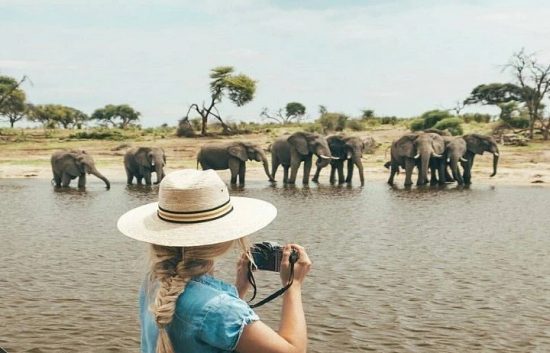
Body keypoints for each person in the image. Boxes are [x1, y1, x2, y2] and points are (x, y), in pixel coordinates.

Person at [117, 169, 312, 353]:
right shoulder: (221, 309)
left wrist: (239, 288)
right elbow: (294, 350)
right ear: (224, 237)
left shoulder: (154, 280)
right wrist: (292, 285)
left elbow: (204, 324)